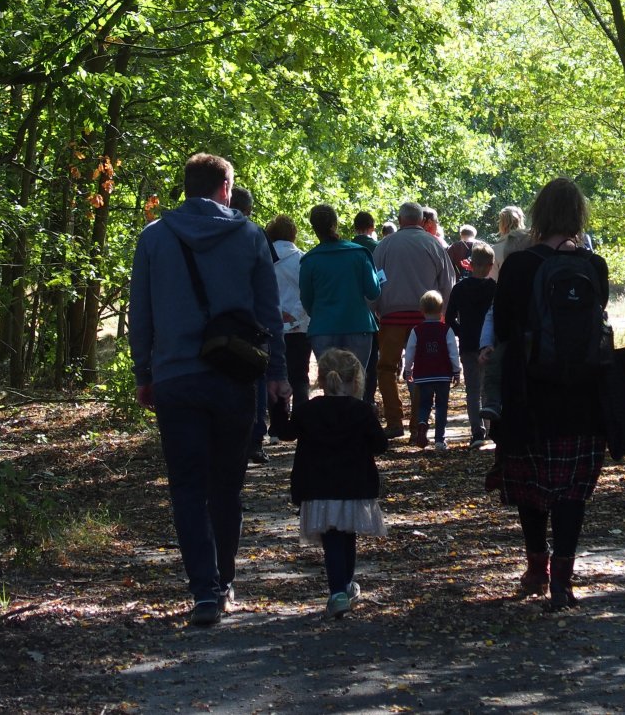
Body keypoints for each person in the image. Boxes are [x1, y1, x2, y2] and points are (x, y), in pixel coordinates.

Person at [129, 153, 290, 627]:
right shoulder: (249, 235)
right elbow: (268, 312)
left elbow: (142, 311)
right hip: (234, 377)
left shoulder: (155, 237)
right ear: (225, 187)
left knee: (186, 486)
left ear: (186, 187)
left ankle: (203, 590)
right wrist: (277, 373)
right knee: (226, 485)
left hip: (176, 377)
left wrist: (144, 373)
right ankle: (224, 581)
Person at [485, 178, 609, 611]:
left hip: (528, 393)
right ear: (579, 217)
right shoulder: (595, 267)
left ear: (538, 215)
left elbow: (501, 330)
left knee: (531, 485)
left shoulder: (519, 267)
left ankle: (536, 567)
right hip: (582, 395)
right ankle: (564, 580)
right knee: (572, 489)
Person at [283, 347, 388, 618]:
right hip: (354, 485)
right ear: (355, 380)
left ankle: (338, 591)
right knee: (348, 535)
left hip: (318, 486)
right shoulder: (362, 411)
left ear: (322, 379)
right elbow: (380, 445)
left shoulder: (308, 410)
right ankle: (344, 586)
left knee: (332, 539)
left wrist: (279, 405)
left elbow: (285, 433)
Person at [372, 202, 457, 438]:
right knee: (423, 368)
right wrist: (441, 314)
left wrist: (377, 309)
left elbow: (373, 281)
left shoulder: (384, 245)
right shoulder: (433, 244)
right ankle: (418, 421)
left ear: (400, 220)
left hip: (392, 318)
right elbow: (448, 282)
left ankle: (394, 420)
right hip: (425, 319)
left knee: (386, 369)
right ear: (421, 220)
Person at [298, 204, 380, 367]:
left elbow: (306, 300)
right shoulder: (360, 254)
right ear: (336, 224)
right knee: (356, 384)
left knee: (331, 384)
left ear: (314, 228)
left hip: (323, 329)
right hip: (358, 326)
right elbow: (373, 292)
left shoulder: (309, 260)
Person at [233, 186, 274, 464]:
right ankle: (255, 440)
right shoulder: (254, 233)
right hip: (252, 323)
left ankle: (235, 440)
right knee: (256, 379)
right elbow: (268, 286)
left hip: (216, 324)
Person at [445, 242, 496, 448]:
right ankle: (491, 428)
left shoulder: (460, 288)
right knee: (488, 387)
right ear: (491, 265)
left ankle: (477, 431)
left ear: (470, 264)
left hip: (468, 344)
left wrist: (461, 332)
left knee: (473, 389)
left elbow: (448, 317)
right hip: (489, 344)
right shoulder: (494, 288)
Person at [266, 214, 312, 436]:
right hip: (299, 327)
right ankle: (302, 424)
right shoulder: (302, 259)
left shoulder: (263, 257)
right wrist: (294, 316)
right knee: (299, 375)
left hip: (270, 327)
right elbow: (308, 293)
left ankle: (277, 426)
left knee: (273, 374)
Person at [402, 291, 460, 450]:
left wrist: (408, 370)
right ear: (441, 309)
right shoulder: (446, 330)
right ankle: (439, 440)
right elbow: (453, 352)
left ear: (422, 310)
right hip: (442, 374)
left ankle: (422, 423)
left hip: (423, 375)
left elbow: (410, 352)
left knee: (424, 404)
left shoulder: (416, 330)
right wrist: (456, 371)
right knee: (441, 406)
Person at [351, 211, 381, 406]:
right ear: (372, 227)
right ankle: (368, 399)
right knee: (372, 358)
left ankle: (352, 397)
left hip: (350, 309)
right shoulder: (378, 248)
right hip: (373, 311)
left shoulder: (347, 248)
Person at [490, 205, 531, 280]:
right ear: (521, 220)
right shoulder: (532, 243)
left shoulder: (495, 250)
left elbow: (492, 281)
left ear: (502, 224)